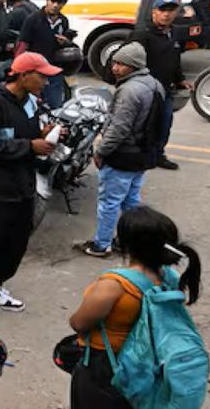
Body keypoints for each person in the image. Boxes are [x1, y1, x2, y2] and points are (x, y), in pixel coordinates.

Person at [68, 206, 202, 408]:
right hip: (147, 365)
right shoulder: (169, 278)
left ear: (127, 243)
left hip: (106, 365)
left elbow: (79, 323)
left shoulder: (115, 285)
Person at [0, 52, 61, 312]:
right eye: (41, 76)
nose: (46, 82)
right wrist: (30, 146)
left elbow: (22, 135)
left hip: (21, 186)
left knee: (16, 242)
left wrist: (41, 135)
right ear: (23, 75)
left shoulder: (29, 101)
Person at [75, 43, 165, 258]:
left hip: (123, 156)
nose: (115, 68)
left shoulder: (129, 90)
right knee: (131, 201)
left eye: (121, 64)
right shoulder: (154, 84)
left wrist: (101, 151)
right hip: (142, 154)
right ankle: (131, 240)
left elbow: (119, 128)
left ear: (133, 66)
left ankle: (101, 244)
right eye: (114, 62)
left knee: (109, 203)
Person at [129, 0, 191, 171]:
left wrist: (180, 80)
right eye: (162, 10)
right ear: (154, 12)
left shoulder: (174, 33)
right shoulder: (142, 33)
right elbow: (128, 60)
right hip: (145, 89)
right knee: (143, 125)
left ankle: (158, 155)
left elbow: (175, 59)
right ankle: (139, 156)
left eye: (171, 10)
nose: (166, 14)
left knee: (164, 123)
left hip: (166, 89)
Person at [17, 0, 74, 108]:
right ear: (46, 0)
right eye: (52, 1)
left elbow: (67, 45)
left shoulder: (63, 21)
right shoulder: (32, 20)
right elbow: (23, 44)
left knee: (55, 105)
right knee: (33, 106)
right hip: (35, 70)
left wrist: (66, 42)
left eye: (59, 3)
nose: (55, 5)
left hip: (54, 70)